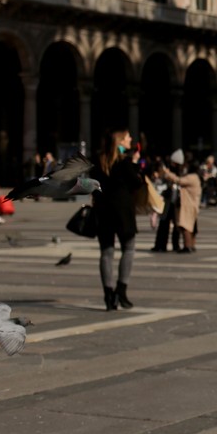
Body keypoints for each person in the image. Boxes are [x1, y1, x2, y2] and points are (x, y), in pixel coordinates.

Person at [90, 130, 145, 311]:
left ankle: (108, 295)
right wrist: (136, 164)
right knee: (128, 249)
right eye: (128, 137)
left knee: (106, 253)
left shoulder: (99, 160)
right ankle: (121, 290)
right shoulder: (125, 162)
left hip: (103, 210)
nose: (131, 140)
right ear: (121, 141)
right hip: (123, 212)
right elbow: (137, 183)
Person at [159, 151, 201, 254]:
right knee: (188, 226)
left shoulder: (192, 177)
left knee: (185, 226)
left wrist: (167, 173)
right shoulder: (194, 177)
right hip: (189, 204)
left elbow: (179, 180)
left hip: (189, 204)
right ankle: (190, 245)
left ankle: (188, 246)